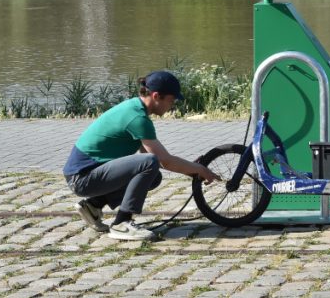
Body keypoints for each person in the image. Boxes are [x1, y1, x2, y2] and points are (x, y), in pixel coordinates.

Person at [63, 70, 218, 241]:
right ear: (157, 96)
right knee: (150, 163)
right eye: (171, 100)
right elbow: (161, 160)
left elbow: (152, 160)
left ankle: (94, 205)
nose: (172, 106)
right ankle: (122, 224)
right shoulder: (138, 118)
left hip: (83, 174)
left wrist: (192, 171)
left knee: (153, 176)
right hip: (82, 178)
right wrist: (199, 169)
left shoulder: (134, 108)